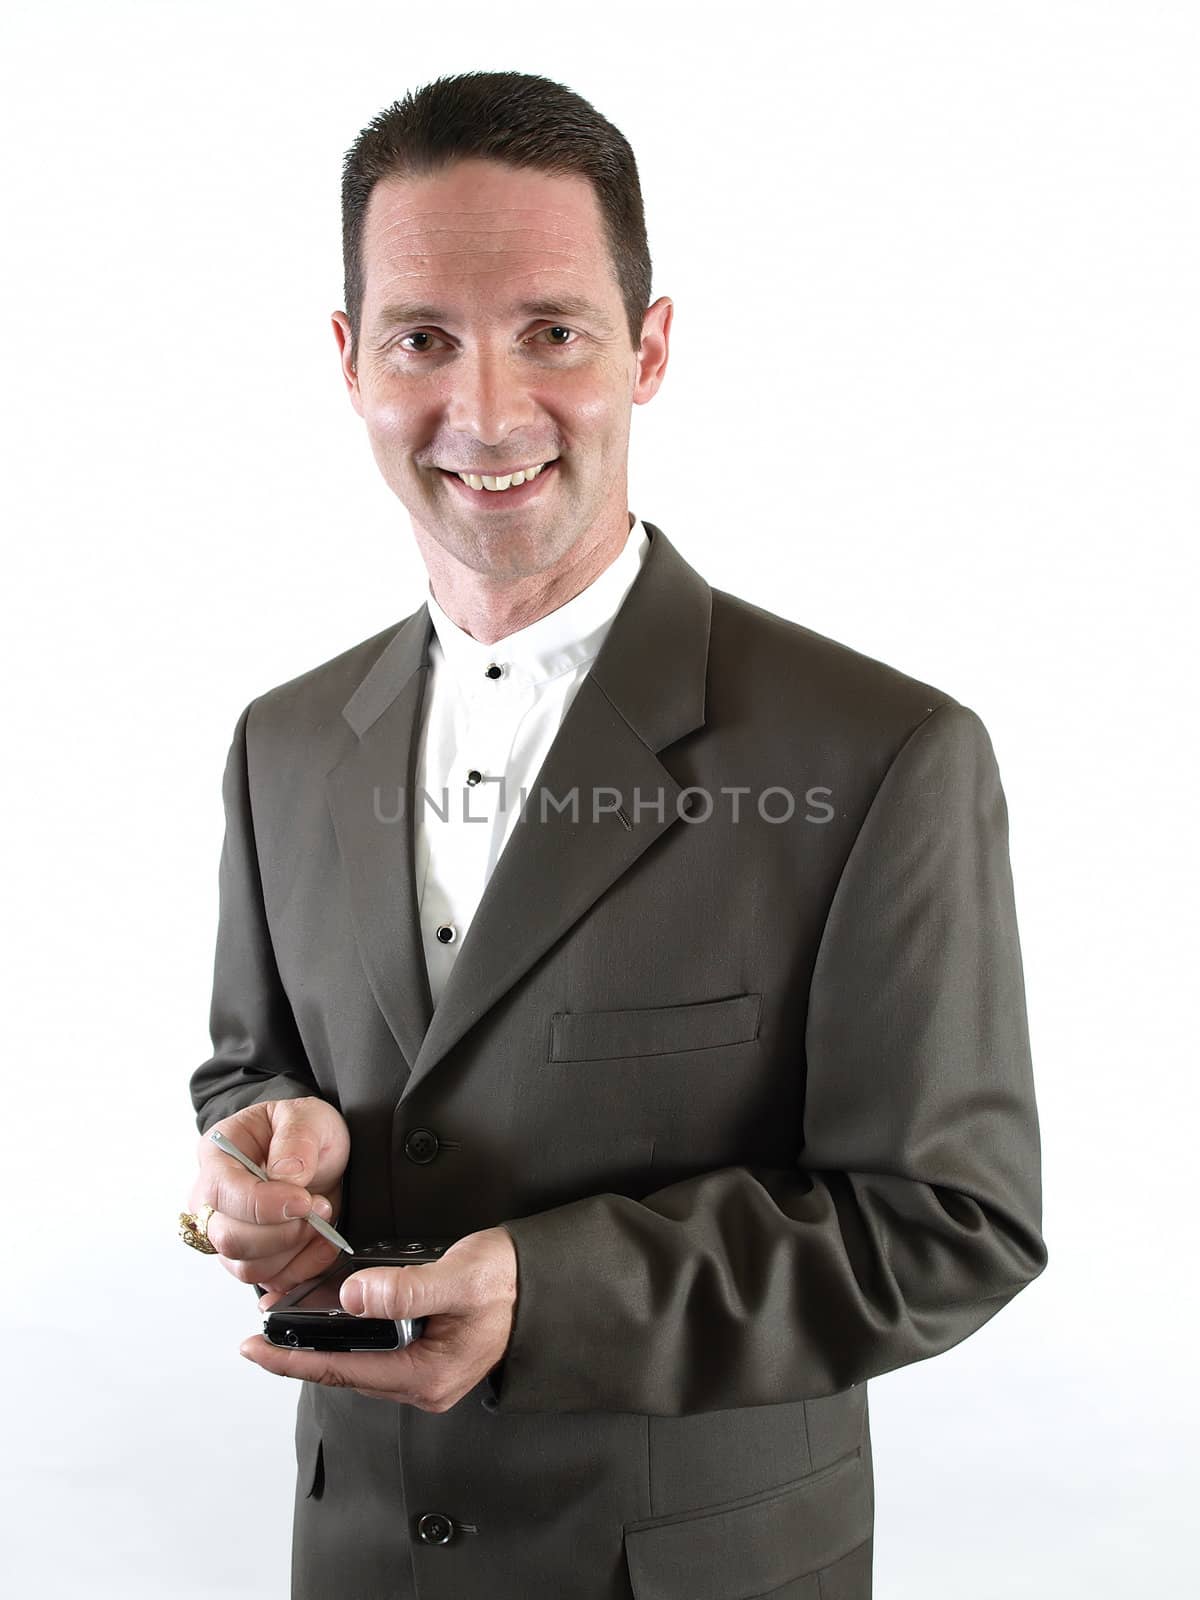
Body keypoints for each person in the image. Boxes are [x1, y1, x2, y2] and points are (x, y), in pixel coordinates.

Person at [183, 70, 1047, 1600]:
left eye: (554, 333)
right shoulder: (282, 743)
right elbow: (255, 1064)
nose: (489, 411)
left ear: (648, 349)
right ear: (350, 360)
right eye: (423, 339)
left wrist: (548, 1290)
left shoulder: (886, 754)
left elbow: (952, 1224)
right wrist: (264, 1146)